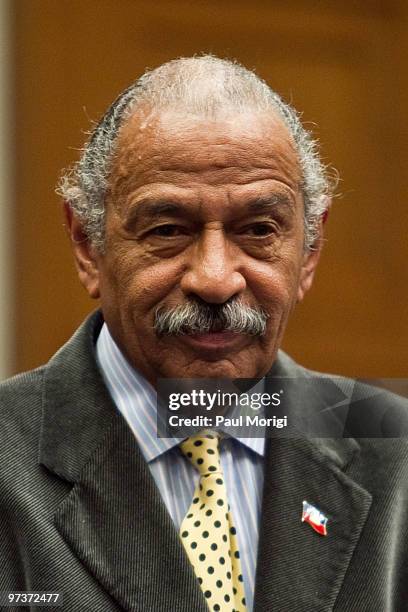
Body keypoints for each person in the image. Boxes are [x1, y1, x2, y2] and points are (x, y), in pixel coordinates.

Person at [1, 55, 407, 612]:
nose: (215, 279)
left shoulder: (393, 447)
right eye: (168, 230)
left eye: (258, 230)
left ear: (309, 250)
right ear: (87, 245)